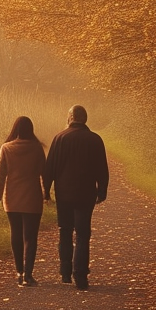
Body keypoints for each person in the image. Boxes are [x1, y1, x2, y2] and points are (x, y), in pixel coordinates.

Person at [43, 105, 109, 290]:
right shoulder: (95, 140)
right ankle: (80, 275)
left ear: (71, 117)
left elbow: (50, 168)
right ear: (84, 119)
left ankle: (65, 272)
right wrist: (101, 190)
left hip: (64, 193)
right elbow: (101, 168)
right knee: (82, 233)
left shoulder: (60, 138)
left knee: (65, 229)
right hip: (85, 193)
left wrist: (46, 191)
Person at [0, 116, 47, 287]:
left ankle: (19, 271)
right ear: (31, 129)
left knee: (16, 234)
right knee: (30, 237)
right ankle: (28, 275)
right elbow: (44, 172)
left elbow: (0, 175)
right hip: (32, 198)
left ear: (14, 129)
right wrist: (47, 194)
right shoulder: (37, 148)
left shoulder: (6, 148)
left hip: (12, 198)